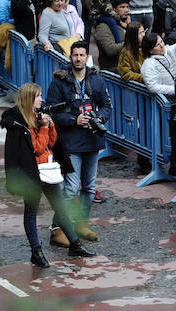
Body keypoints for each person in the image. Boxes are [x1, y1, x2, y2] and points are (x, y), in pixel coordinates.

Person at [1, 83, 96, 267]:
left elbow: (50, 143)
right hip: (32, 175)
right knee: (31, 213)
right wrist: (44, 128)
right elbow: (36, 148)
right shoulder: (19, 123)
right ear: (29, 99)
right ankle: (36, 252)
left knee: (61, 208)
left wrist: (50, 126)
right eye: (38, 96)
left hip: (48, 170)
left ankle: (75, 244)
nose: (41, 100)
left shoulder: (37, 117)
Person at [45, 41, 113, 247]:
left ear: (86, 58)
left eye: (82, 55)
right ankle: (57, 229)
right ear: (70, 57)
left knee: (90, 187)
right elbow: (51, 110)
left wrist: (99, 118)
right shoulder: (60, 81)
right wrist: (74, 120)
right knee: (71, 188)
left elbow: (107, 106)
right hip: (71, 142)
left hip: (92, 140)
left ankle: (81, 224)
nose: (78, 59)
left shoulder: (97, 80)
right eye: (75, 55)